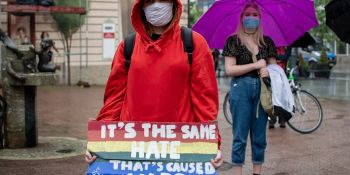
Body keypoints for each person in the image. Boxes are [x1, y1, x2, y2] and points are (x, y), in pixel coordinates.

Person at [85, 0, 222, 168]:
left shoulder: (194, 43)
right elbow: (113, 101)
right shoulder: (128, 46)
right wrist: (100, 143)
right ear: (140, 6)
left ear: (173, 3)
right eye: (150, 0)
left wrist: (212, 143)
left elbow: (205, 100)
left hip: (181, 148)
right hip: (132, 147)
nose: (156, 5)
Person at [222, 2, 277, 175]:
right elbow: (230, 69)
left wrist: (268, 70)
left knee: (259, 136)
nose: (251, 18)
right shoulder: (233, 40)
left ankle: (256, 172)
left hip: (262, 92)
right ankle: (238, 171)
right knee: (240, 135)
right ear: (241, 18)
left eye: (255, 15)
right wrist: (255, 65)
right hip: (240, 89)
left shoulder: (267, 42)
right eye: (248, 14)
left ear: (260, 19)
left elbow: (275, 70)